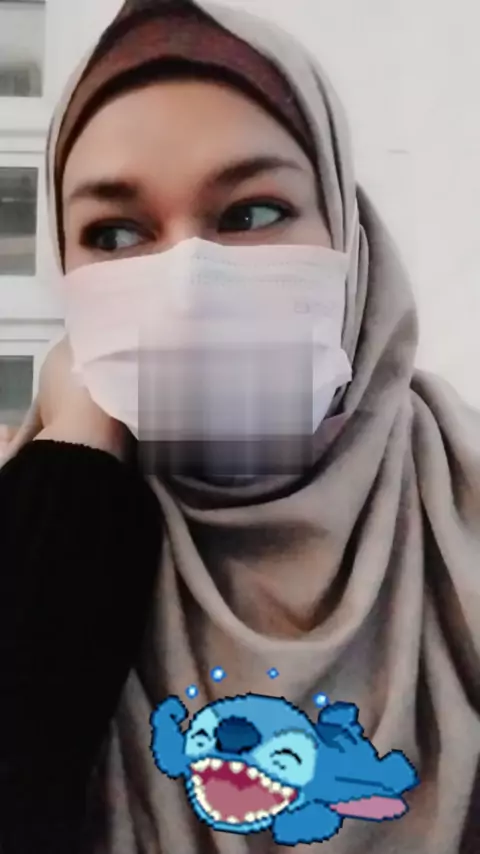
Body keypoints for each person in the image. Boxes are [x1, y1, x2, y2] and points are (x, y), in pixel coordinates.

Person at [0, 0, 478, 852]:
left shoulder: (463, 505)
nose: (189, 290)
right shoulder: (35, 527)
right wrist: (75, 456)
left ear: (349, 237)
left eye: (250, 214)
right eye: (115, 233)